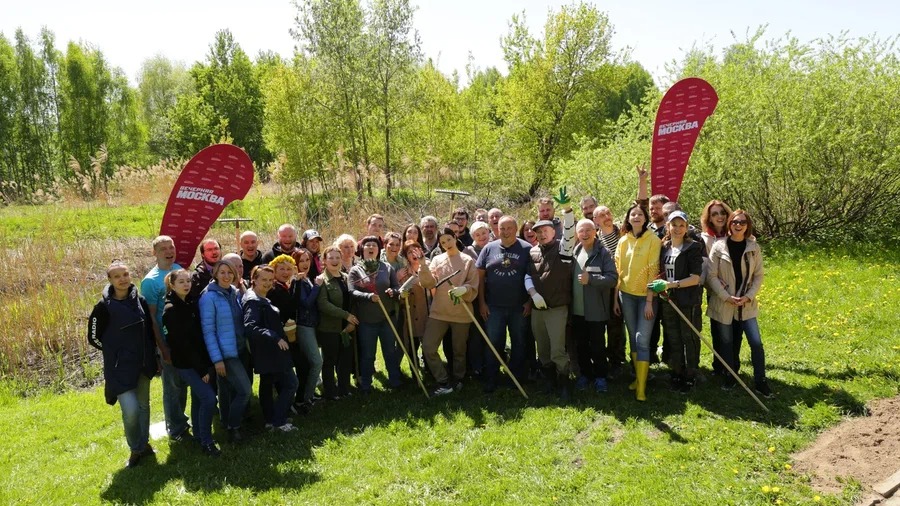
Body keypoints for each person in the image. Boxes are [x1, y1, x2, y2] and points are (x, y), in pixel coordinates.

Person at [88, 261, 157, 468]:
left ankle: (143, 446)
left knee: (144, 407)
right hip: (119, 368)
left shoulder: (141, 301)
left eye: (125, 274)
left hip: (143, 364)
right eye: (117, 276)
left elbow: (149, 332)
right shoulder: (102, 307)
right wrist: (114, 353)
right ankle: (134, 448)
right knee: (131, 410)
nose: (122, 279)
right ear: (110, 280)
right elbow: (93, 338)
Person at [707, 210, 771, 397]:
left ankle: (761, 381)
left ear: (747, 225)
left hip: (746, 304)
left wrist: (748, 296)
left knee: (756, 342)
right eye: (735, 221)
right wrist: (726, 296)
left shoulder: (753, 247)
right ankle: (730, 375)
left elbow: (758, 275)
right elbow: (711, 275)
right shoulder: (719, 246)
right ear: (730, 224)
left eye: (742, 222)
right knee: (726, 342)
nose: (738, 224)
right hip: (724, 302)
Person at [162, 269, 220, 457]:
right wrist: (201, 368)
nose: (186, 285)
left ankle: (199, 436)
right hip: (187, 364)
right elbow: (183, 344)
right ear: (172, 285)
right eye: (181, 282)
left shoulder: (190, 301)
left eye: (188, 281)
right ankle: (207, 441)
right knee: (208, 398)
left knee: (198, 399)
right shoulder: (171, 310)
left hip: (202, 360)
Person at [139, 236, 190, 443]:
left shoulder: (178, 269)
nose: (169, 251)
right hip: (167, 341)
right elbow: (151, 316)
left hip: (184, 338)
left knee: (183, 382)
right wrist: (162, 347)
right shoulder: (151, 281)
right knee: (172, 386)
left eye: (171, 247)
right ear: (154, 253)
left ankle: (182, 420)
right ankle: (176, 428)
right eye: (163, 249)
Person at [525, 202, 577, 400]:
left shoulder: (563, 250)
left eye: (545, 230)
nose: (542, 234)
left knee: (557, 350)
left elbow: (570, 235)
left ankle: (564, 383)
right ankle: (549, 382)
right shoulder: (532, 252)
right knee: (543, 349)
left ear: (553, 231)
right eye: (538, 231)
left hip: (557, 308)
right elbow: (528, 276)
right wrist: (532, 294)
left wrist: (568, 212)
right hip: (538, 310)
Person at [418, 226, 479, 395]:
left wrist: (465, 289)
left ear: (455, 238)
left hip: (462, 313)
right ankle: (443, 380)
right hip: (439, 312)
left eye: (449, 240)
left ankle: (458, 379)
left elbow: (474, 285)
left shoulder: (467, 261)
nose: (446, 244)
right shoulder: (437, 260)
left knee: (459, 350)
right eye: (442, 242)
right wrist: (423, 267)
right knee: (429, 347)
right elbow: (429, 283)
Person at [476, 215, 533, 393]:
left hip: (519, 306)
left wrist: (530, 301)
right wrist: (482, 303)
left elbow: (535, 277)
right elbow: (480, 278)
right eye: (502, 228)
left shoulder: (527, 249)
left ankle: (516, 378)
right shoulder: (488, 249)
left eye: (509, 228)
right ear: (497, 230)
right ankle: (492, 378)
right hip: (493, 307)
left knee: (519, 342)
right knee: (493, 343)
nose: (506, 232)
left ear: (516, 229)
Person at [651, 211, 704, 393]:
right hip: (668, 300)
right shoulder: (664, 247)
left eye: (682, 225)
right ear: (668, 226)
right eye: (674, 225)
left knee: (689, 337)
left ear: (687, 227)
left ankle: (691, 374)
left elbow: (696, 278)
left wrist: (672, 284)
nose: (678, 229)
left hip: (687, 300)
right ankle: (677, 371)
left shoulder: (693, 247)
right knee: (673, 336)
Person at [243, 265, 300, 432]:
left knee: (267, 385)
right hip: (270, 351)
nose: (267, 283)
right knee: (291, 383)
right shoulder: (253, 301)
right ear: (254, 280)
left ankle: (271, 420)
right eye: (263, 280)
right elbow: (250, 326)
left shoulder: (260, 297)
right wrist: (275, 337)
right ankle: (279, 421)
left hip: (268, 351)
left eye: (270, 279)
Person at [614, 203, 661, 402]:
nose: (636, 217)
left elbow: (653, 270)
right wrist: (615, 298)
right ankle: (637, 380)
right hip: (626, 295)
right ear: (628, 218)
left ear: (645, 218)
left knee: (642, 339)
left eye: (639, 214)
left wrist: (649, 301)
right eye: (633, 214)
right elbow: (618, 270)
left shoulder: (654, 240)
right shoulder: (623, 240)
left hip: (645, 298)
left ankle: (641, 388)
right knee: (633, 338)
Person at [199, 261, 250, 442]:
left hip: (240, 348)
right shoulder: (208, 297)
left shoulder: (234, 293)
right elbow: (208, 331)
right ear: (215, 274)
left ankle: (226, 422)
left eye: (230, 272)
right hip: (225, 354)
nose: (227, 276)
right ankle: (234, 427)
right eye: (222, 272)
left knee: (227, 390)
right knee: (245, 391)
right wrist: (217, 359)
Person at [348, 236, 403, 393]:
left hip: (387, 319)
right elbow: (352, 291)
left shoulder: (386, 267)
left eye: (374, 245)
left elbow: (396, 286)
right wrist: (368, 296)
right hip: (367, 321)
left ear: (379, 250)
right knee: (368, 355)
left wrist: (394, 291)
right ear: (362, 249)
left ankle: (395, 380)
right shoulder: (355, 270)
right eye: (367, 245)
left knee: (390, 352)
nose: (371, 247)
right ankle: (366, 384)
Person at [571, 219, 618, 394]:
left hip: (596, 310)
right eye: (581, 231)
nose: (584, 234)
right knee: (581, 345)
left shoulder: (603, 253)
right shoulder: (575, 251)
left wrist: (591, 279)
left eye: (588, 230)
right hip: (577, 309)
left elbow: (613, 278)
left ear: (595, 231)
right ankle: (585, 375)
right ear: (577, 234)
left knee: (598, 346)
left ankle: (600, 377)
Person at [317, 246, 363, 400]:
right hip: (329, 328)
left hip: (347, 327)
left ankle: (344, 388)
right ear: (324, 261)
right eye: (331, 258)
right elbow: (323, 304)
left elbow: (354, 300)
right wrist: (346, 316)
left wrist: (352, 321)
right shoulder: (321, 280)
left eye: (337, 257)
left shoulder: (346, 277)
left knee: (345, 359)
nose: (335, 261)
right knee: (330, 361)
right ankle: (330, 392)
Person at [700, 199, 734, 376]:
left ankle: (732, 365)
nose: (719, 216)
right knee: (719, 330)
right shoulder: (704, 238)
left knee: (734, 330)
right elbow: (705, 268)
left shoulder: (736, 233)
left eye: (722, 213)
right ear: (709, 218)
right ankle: (719, 366)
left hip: (737, 290)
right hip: (715, 290)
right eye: (715, 214)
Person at [593, 206, 627, 377]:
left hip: (622, 286)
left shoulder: (623, 232)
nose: (606, 217)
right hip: (602, 288)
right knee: (600, 326)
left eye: (608, 213)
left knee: (616, 327)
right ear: (596, 220)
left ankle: (617, 360)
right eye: (601, 215)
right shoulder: (594, 240)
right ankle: (601, 359)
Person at [290, 248, 325, 413]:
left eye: (307, 260)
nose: (305, 264)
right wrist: (317, 287)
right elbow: (306, 303)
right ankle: (305, 399)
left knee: (310, 362)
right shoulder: (297, 280)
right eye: (301, 261)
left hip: (312, 325)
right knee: (316, 362)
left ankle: (307, 396)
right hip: (304, 326)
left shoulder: (306, 279)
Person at [398, 241, 428, 369]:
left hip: (426, 313)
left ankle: (430, 371)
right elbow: (397, 294)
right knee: (411, 345)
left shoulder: (430, 267)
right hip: (409, 315)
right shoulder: (402, 273)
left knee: (428, 347)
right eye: (409, 252)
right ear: (406, 256)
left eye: (416, 249)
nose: (413, 254)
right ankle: (415, 372)